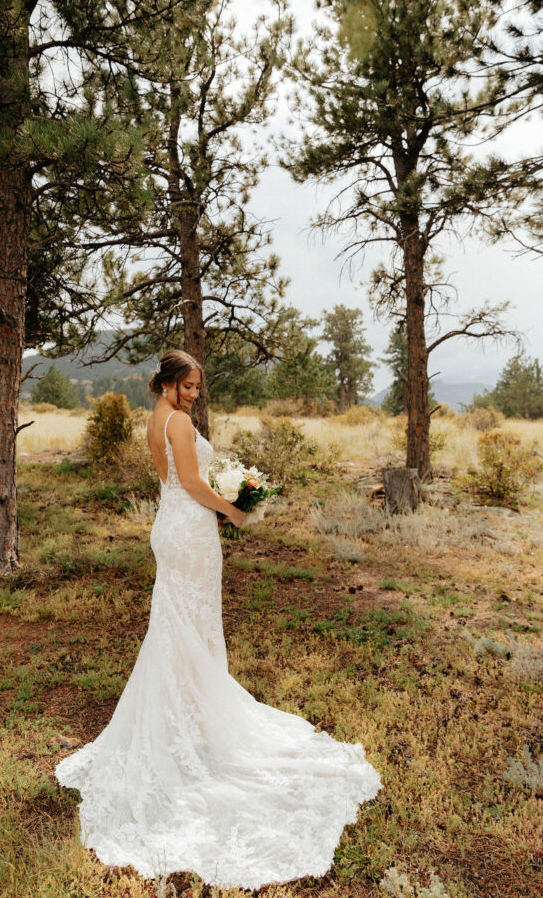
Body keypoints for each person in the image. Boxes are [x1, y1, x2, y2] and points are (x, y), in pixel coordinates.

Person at [55, 349, 382, 890]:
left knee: (178, 630)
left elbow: (172, 481)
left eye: (197, 387)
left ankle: (187, 719)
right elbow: (188, 482)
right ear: (165, 384)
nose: (193, 395)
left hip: (171, 527)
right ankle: (192, 728)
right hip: (189, 531)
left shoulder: (155, 420)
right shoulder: (177, 421)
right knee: (189, 628)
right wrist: (232, 508)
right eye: (186, 386)